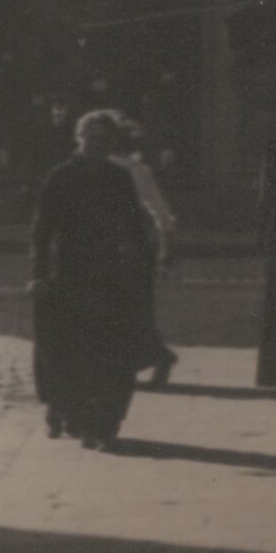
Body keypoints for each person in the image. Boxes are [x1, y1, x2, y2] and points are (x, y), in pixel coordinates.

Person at [30, 108, 159, 448]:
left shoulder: (119, 179)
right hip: (68, 272)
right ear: (80, 139)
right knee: (66, 350)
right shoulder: (61, 177)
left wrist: (140, 263)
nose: (98, 145)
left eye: (106, 140)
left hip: (108, 275)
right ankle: (67, 410)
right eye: (92, 138)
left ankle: (100, 422)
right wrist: (38, 275)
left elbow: (132, 225)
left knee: (108, 350)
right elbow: (42, 231)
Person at [115, 118, 179, 387]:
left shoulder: (118, 169)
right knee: (135, 307)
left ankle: (153, 356)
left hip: (122, 246)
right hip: (137, 246)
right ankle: (152, 357)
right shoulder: (140, 170)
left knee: (119, 307)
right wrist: (167, 249)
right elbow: (162, 213)